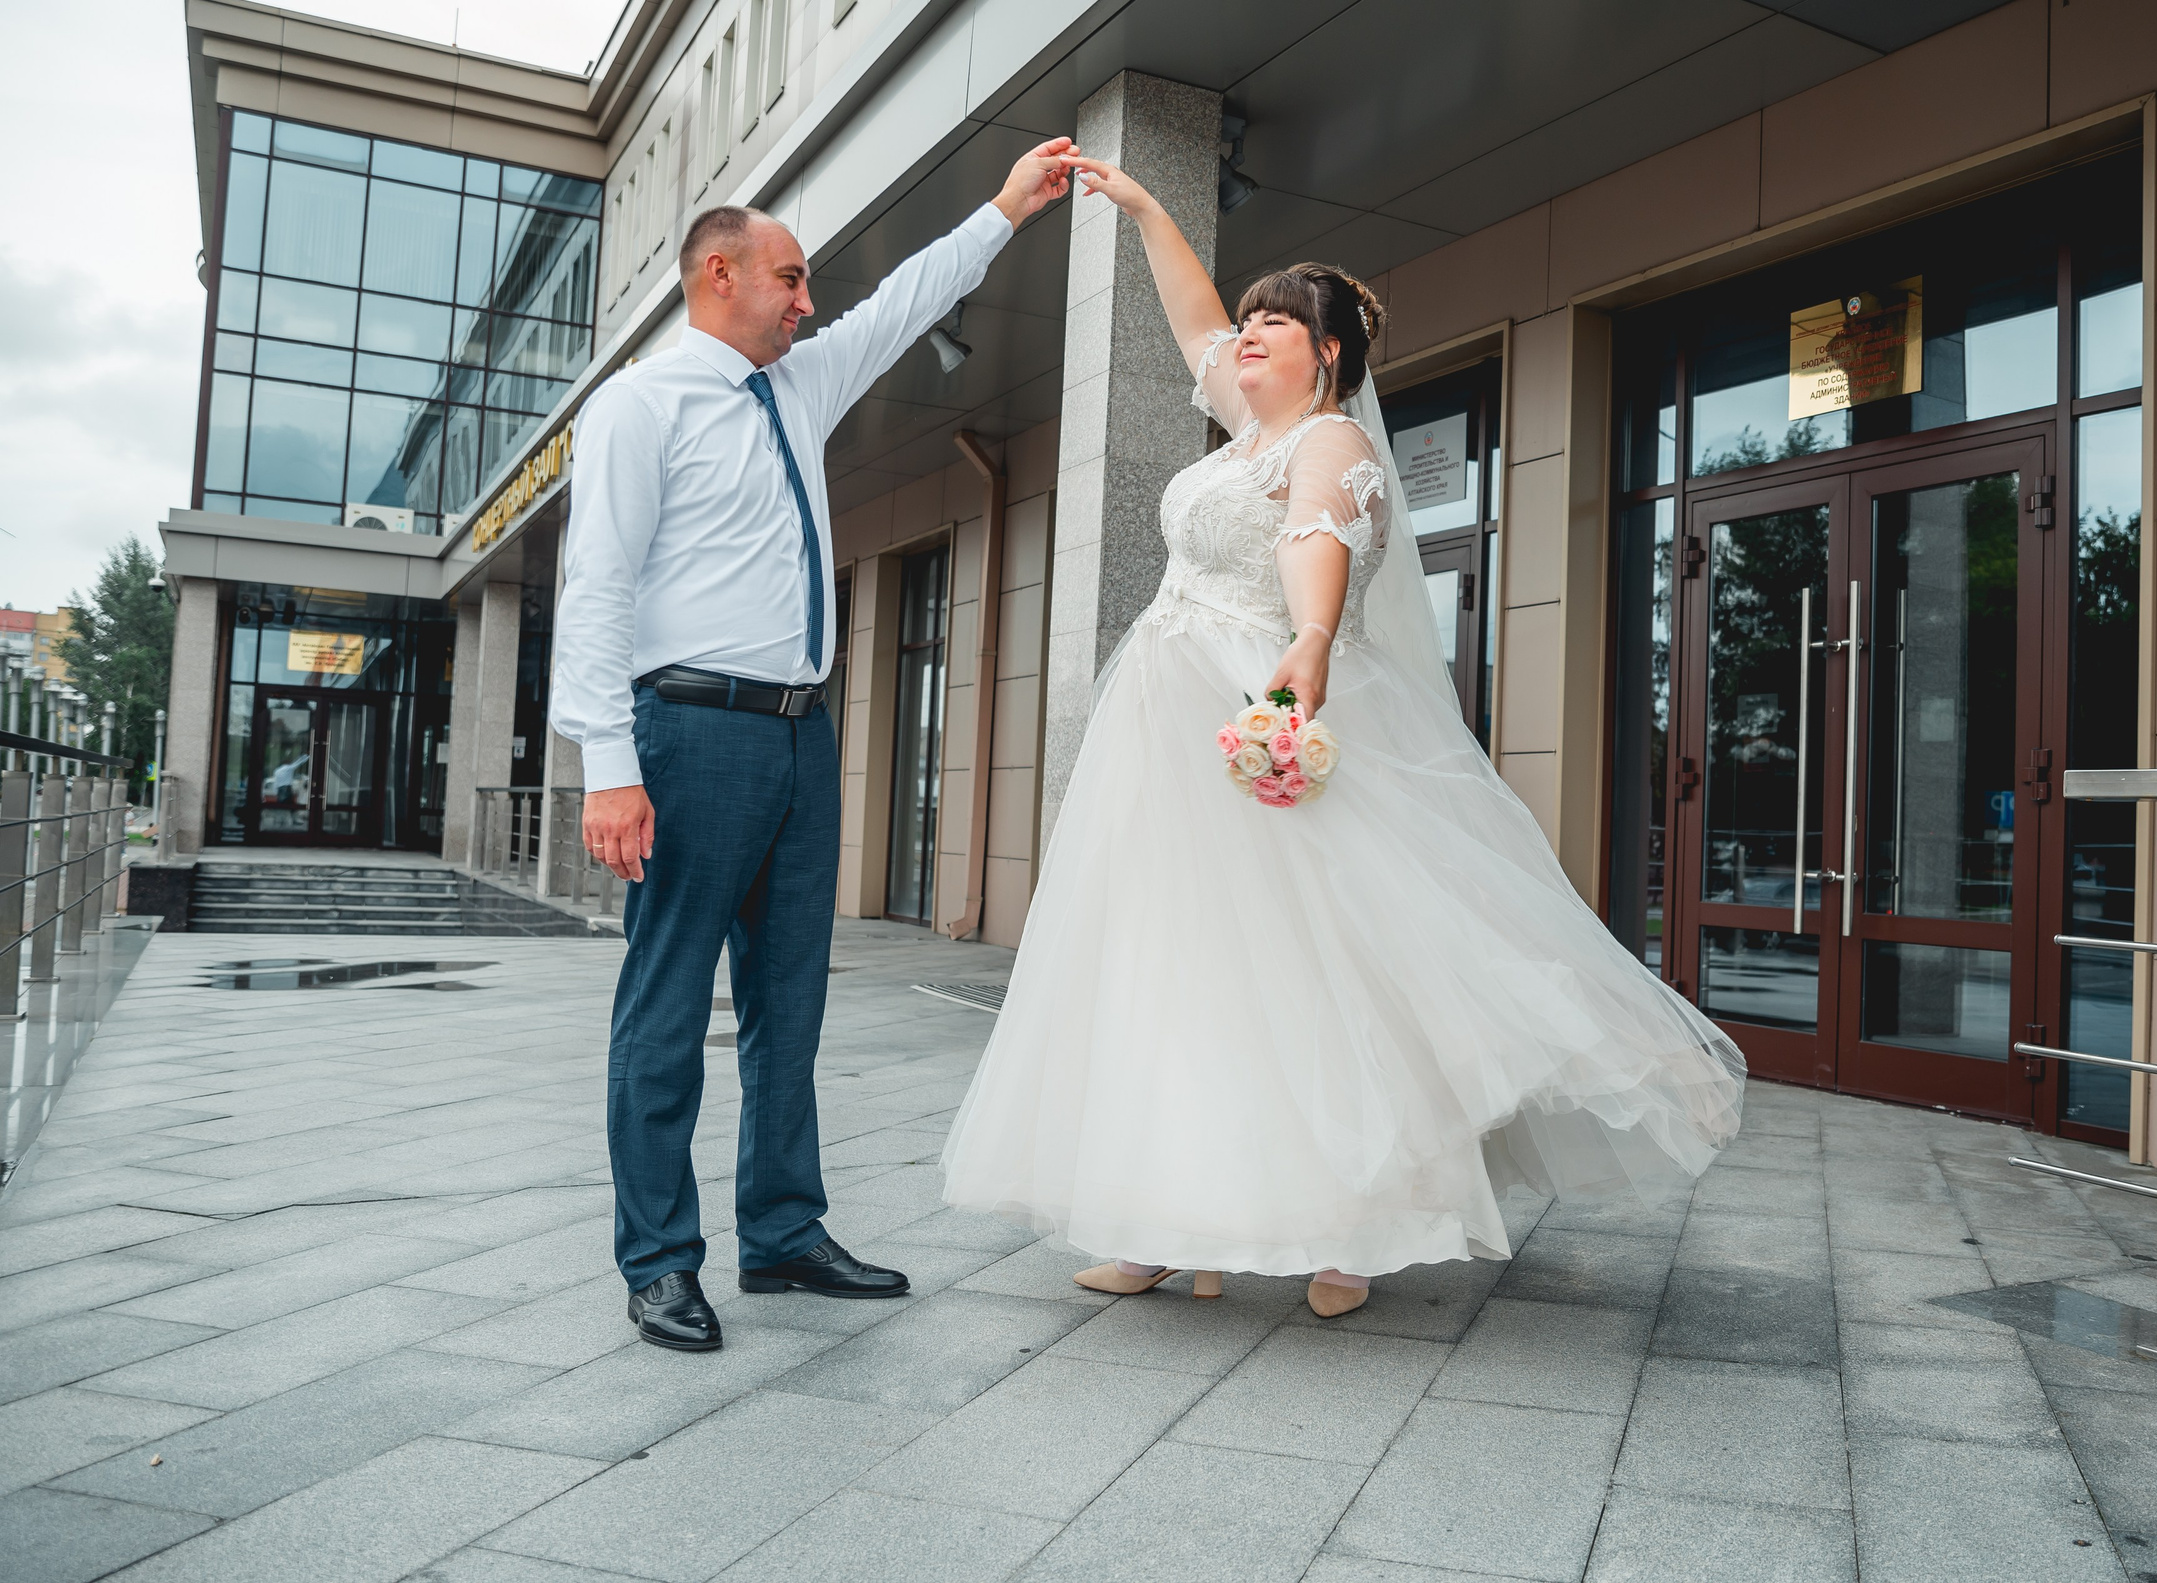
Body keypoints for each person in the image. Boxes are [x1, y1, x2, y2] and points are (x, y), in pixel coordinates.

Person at [939, 152, 1746, 1319]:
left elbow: (1314, 542)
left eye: (1279, 322)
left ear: (1328, 354)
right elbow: (1192, 320)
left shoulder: (1327, 442)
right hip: (1162, 735)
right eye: (1251, 320)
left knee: (1311, 974)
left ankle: (1354, 1222)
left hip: (1258, 705)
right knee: (1171, 968)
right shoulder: (1235, 428)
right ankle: (1161, 1214)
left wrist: (1310, 641)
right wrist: (1146, 207)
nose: (1249, 333)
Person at [552, 139, 1077, 1351]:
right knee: (668, 1006)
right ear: (717, 276)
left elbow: (906, 303)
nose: (808, 300)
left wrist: (1006, 207)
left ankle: (784, 1231)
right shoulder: (637, 406)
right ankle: (659, 1260)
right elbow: (595, 591)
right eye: (788, 279)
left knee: (792, 1002)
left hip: (800, 736)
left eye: (805, 283)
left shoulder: (797, 384)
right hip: (684, 733)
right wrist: (609, 766)